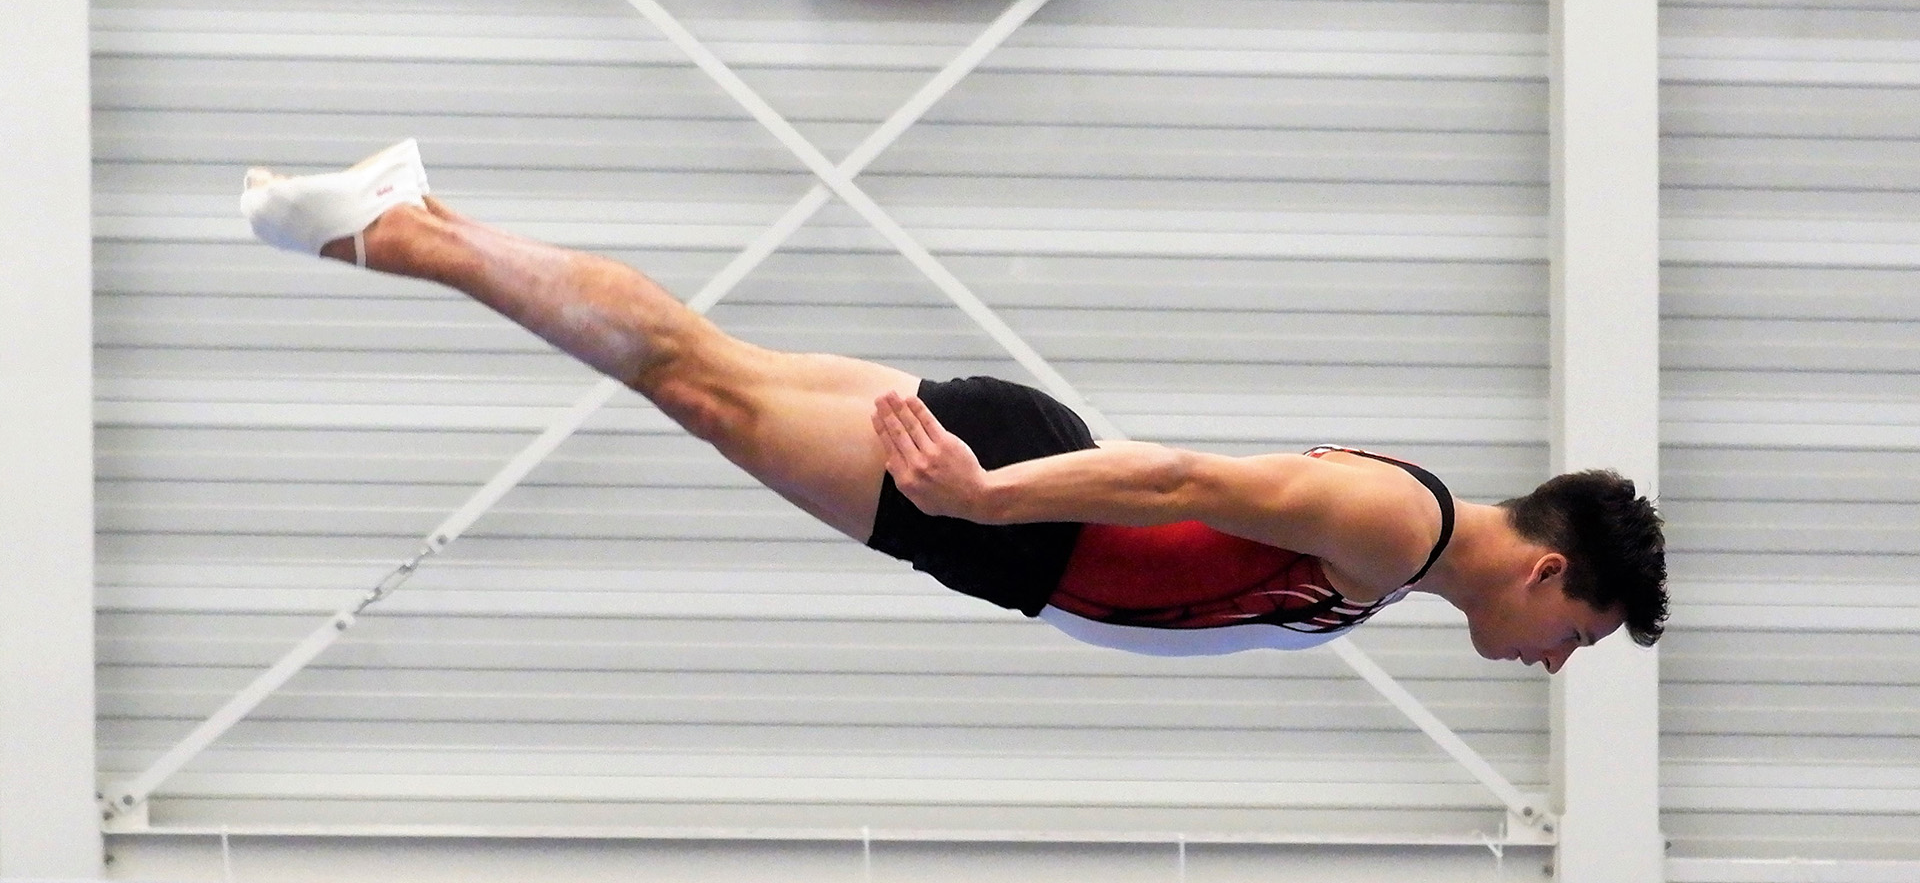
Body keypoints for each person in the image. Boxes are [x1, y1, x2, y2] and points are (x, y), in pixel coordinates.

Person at [242, 140, 1668, 673]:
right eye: (1579, 635)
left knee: (699, 365)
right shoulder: (1395, 526)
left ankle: (421, 213)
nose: (1559, 663)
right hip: (1007, 508)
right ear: (1548, 570)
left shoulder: (1405, 552)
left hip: (1015, 512)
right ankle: (398, 234)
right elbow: (1173, 481)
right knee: (696, 386)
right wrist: (984, 499)